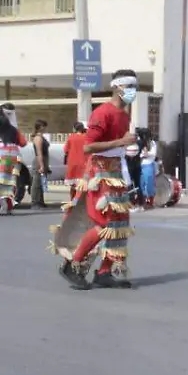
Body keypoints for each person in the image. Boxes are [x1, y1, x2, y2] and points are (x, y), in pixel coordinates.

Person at [53, 70, 140, 290]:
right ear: (118, 87)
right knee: (104, 224)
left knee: (120, 225)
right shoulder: (102, 113)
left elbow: (119, 143)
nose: (132, 91)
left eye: (134, 87)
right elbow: (88, 146)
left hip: (117, 173)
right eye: (129, 86)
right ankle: (72, 265)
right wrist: (120, 141)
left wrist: (129, 145)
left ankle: (104, 272)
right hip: (100, 174)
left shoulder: (125, 115)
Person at [0, 104, 27, 216]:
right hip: (15, 157)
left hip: (1, 155)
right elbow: (23, 143)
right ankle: (9, 206)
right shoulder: (14, 130)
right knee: (11, 182)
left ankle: (3, 204)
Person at [63, 122, 87, 203]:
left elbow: (65, 150)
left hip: (72, 163)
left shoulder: (71, 137)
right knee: (82, 184)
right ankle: (80, 201)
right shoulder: (86, 137)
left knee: (73, 184)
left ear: (74, 129)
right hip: (84, 162)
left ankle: (73, 200)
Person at [30, 119, 49, 208]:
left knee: (41, 182)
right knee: (36, 182)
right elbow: (39, 152)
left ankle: (40, 201)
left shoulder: (41, 137)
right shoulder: (38, 138)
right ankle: (35, 202)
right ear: (40, 127)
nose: (45, 128)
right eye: (44, 126)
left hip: (43, 159)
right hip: (39, 160)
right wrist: (41, 165)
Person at [125, 127, 144, 209]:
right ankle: (140, 203)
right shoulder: (140, 143)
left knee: (130, 185)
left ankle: (132, 203)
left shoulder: (128, 144)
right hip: (137, 165)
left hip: (130, 166)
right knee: (138, 184)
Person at [140, 130, 158, 209]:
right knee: (141, 183)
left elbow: (153, 154)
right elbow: (139, 154)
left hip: (149, 164)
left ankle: (151, 202)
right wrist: (143, 155)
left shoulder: (152, 143)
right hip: (141, 165)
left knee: (149, 183)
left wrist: (146, 154)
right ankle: (143, 201)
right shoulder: (140, 143)